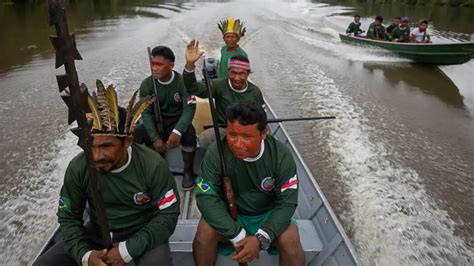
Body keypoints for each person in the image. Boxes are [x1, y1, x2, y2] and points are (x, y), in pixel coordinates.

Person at [34, 82, 180, 266]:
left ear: (127, 141)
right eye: (90, 146)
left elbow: (168, 215)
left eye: (106, 146)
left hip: (142, 232)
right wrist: (85, 255)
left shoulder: (153, 166)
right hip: (95, 232)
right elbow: (69, 216)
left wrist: (126, 251)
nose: (96, 156)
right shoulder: (79, 167)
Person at [193, 101, 304, 266]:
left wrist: (261, 238)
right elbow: (205, 197)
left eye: (246, 137)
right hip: (229, 216)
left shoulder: (281, 156)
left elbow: (287, 202)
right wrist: (237, 234)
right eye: (232, 135)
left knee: (291, 239)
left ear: (264, 133)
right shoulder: (217, 152)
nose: (237, 144)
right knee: (204, 233)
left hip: (267, 215)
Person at [183, 39, 265, 149]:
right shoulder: (219, 85)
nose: (237, 78)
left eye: (241, 74)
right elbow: (195, 89)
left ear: (248, 74)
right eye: (233, 73)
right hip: (224, 128)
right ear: (228, 71)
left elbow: (262, 118)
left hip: (247, 129)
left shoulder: (255, 92)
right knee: (205, 139)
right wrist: (190, 65)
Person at [135, 46, 197, 189]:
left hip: (177, 121)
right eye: (153, 64)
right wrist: (155, 138)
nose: (155, 68)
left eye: (159, 64)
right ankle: (151, 168)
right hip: (157, 122)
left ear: (171, 65)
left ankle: (188, 171)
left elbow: (190, 108)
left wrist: (177, 131)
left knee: (189, 133)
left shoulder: (183, 82)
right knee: (136, 133)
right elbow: (146, 113)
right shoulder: (147, 84)